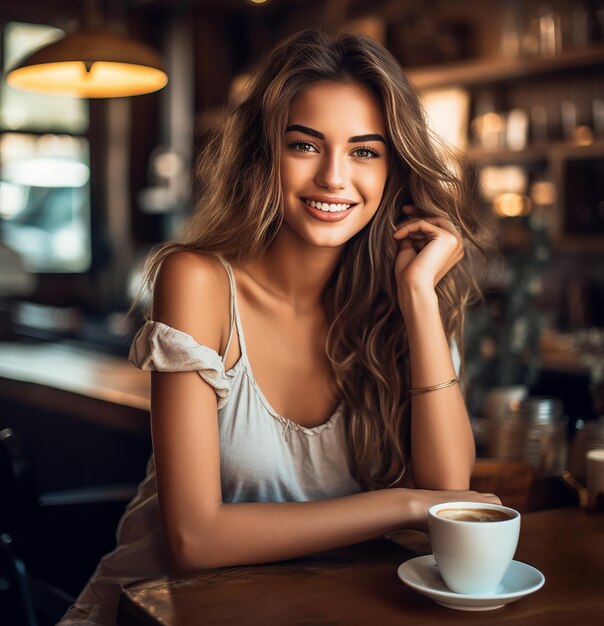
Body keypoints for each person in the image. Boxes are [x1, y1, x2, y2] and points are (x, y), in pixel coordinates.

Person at [59, 29, 498, 626]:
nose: (335, 178)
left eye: (365, 151)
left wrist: (419, 298)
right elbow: (196, 539)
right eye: (305, 145)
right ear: (265, 155)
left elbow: (449, 487)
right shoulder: (197, 281)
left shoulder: (403, 295)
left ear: (394, 171)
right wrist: (407, 505)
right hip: (152, 611)